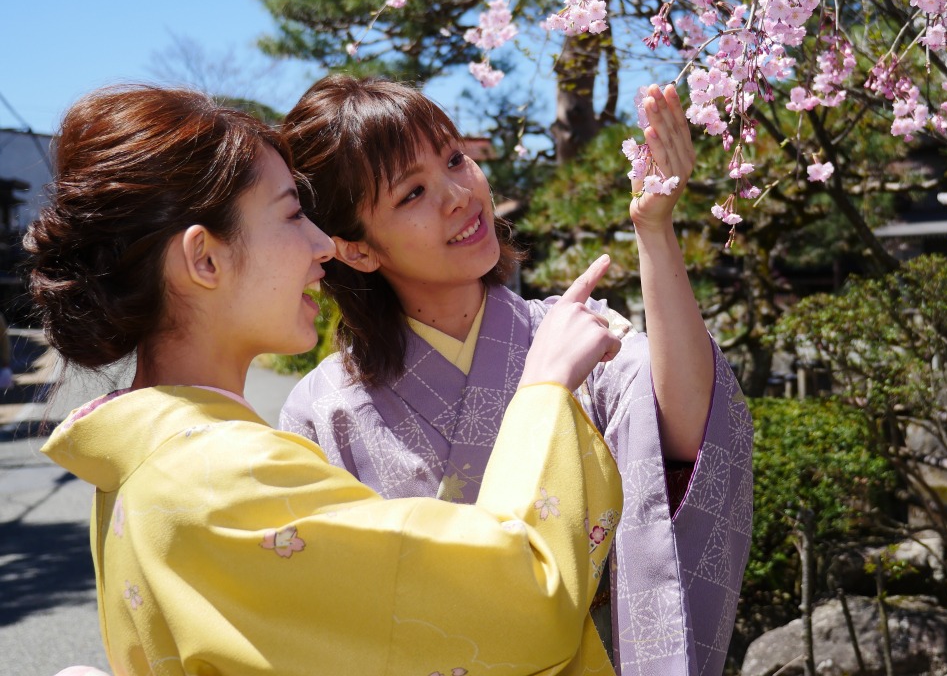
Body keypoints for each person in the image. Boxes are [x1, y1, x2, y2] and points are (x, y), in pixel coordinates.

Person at [29, 86, 627, 676]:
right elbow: (520, 603)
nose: (322, 245)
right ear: (205, 260)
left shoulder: (151, 469)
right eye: (292, 214)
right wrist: (545, 388)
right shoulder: (227, 480)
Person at [279, 75, 753, 676]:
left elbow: (689, 436)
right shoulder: (323, 410)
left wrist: (654, 230)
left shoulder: (570, 333)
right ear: (357, 249)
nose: (458, 194)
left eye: (455, 159)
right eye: (412, 192)